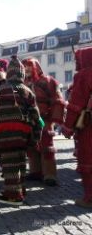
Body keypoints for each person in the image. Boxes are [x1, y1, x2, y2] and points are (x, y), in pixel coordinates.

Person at [0, 55, 43, 205]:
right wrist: (36, 136)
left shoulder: (1, 90)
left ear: (9, 73)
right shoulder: (28, 91)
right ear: (21, 73)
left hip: (4, 132)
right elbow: (36, 116)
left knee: (9, 163)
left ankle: (12, 195)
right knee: (20, 161)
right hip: (22, 133)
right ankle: (21, 189)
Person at [22, 57, 66, 186]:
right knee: (31, 147)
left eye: (29, 65)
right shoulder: (23, 83)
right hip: (28, 120)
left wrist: (54, 118)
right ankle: (35, 172)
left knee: (46, 147)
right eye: (24, 66)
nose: (26, 68)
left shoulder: (48, 81)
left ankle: (49, 175)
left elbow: (58, 100)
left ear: (36, 66)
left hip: (44, 119)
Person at [62, 46, 92, 208]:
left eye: (77, 59)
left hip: (89, 126)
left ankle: (90, 198)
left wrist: (67, 127)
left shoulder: (83, 75)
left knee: (88, 160)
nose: (76, 62)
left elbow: (76, 105)